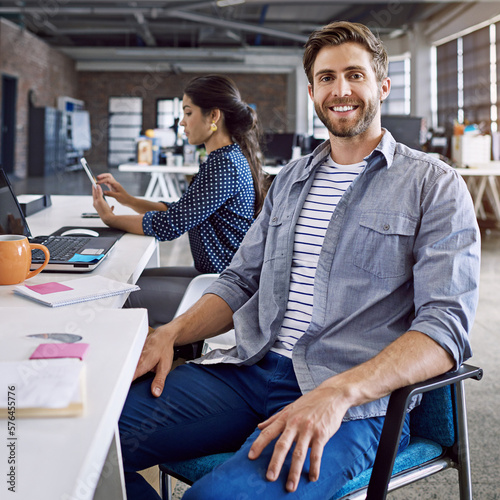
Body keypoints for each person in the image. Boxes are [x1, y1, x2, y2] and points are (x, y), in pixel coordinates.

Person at [118, 21, 480, 500]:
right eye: (327, 78)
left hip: (350, 399)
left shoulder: (433, 184)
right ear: (313, 91)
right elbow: (241, 279)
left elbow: (444, 328)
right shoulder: (290, 179)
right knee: (86, 439)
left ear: (383, 87)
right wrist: (171, 333)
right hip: (249, 370)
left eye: (355, 75)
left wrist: (339, 393)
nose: (341, 90)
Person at [93, 75, 266, 331]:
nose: (182, 122)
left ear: (213, 116)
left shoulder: (224, 165)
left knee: (115, 295)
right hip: (214, 277)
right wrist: (128, 200)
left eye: (188, 112)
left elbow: (169, 226)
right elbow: (181, 210)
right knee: (131, 280)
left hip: (223, 288)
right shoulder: (225, 158)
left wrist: (110, 219)